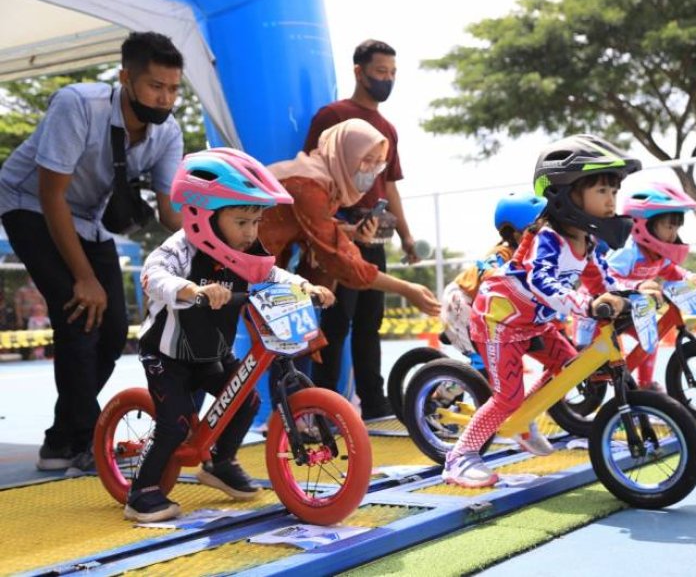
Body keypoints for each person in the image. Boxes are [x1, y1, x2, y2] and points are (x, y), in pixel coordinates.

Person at [0, 32, 185, 475]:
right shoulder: (77, 105)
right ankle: (85, 441)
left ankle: (61, 439)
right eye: (155, 87)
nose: (165, 98)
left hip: (88, 218)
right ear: (126, 79)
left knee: (115, 325)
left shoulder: (168, 132)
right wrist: (84, 278)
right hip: (28, 204)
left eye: (174, 89)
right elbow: (51, 196)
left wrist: (223, 234)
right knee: (80, 315)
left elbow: (170, 211)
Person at [126, 148, 335, 523]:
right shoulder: (181, 249)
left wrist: (306, 286)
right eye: (242, 222)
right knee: (174, 421)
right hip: (167, 356)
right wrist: (191, 290)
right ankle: (140, 492)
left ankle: (220, 462)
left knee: (247, 401)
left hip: (211, 354)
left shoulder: (244, 252)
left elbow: (272, 275)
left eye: (256, 222)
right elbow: (153, 275)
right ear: (204, 215)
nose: (251, 233)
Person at [442, 134, 660, 488]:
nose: (611, 201)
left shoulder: (586, 241)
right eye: (602, 191)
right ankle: (460, 457)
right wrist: (585, 305)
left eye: (613, 192)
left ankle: (523, 418)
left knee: (569, 368)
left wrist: (633, 292)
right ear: (570, 194)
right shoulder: (548, 238)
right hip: (500, 319)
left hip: (535, 323)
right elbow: (542, 281)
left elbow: (601, 279)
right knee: (505, 396)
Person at [259, 118, 439, 419]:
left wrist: (351, 233)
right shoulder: (309, 183)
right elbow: (343, 262)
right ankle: (291, 422)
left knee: (297, 341)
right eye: (365, 160)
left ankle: (294, 421)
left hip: (270, 271)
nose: (370, 170)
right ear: (344, 153)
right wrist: (406, 289)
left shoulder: (323, 180)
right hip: (236, 266)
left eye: (378, 164)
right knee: (280, 345)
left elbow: (314, 228)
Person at [300, 39, 417, 420]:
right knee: (336, 320)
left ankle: (374, 401)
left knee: (371, 321)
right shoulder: (332, 114)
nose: (388, 79)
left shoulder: (389, 128)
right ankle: (324, 407)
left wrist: (406, 234)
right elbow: (313, 170)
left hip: (377, 230)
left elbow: (392, 184)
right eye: (381, 72)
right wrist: (335, 227)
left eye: (393, 73)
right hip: (339, 229)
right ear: (359, 71)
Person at [606, 183, 696, 392]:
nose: (673, 233)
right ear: (643, 224)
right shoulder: (627, 251)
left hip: (629, 312)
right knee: (596, 359)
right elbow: (607, 278)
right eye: (668, 226)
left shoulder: (657, 255)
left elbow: (673, 272)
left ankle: (645, 386)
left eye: (676, 228)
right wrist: (638, 285)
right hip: (604, 311)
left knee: (650, 338)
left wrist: (693, 278)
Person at [441, 193, 548, 363]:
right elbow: (489, 273)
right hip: (460, 302)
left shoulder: (536, 256)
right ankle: (440, 389)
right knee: (483, 367)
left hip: (486, 312)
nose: (546, 236)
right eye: (538, 231)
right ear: (515, 234)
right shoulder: (501, 253)